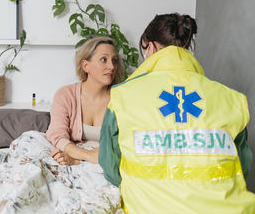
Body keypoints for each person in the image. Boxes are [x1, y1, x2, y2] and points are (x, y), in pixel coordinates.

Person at [99, 13, 255, 213]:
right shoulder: (232, 99)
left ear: (151, 46)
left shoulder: (123, 97)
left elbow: (110, 167)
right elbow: (242, 168)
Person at [46, 37, 123, 165]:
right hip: (74, 154)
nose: (111, 66)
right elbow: (57, 135)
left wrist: (79, 160)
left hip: (107, 159)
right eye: (104, 60)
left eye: (114, 61)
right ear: (86, 66)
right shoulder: (66, 95)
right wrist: (84, 156)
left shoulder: (122, 98)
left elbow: (126, 143)